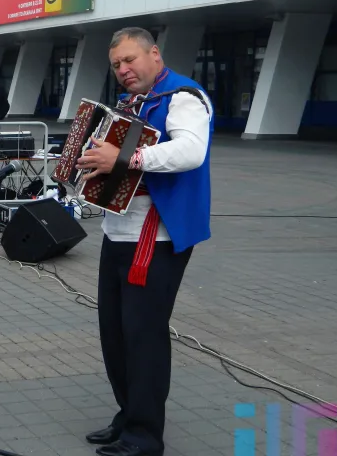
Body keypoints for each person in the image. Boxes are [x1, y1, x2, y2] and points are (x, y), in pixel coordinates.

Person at [76, 27, 213, 456]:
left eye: (130, 60)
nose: (123, 70)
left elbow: (191, 151)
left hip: (158, 234)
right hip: (118, 230)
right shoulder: (129, 104)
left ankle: (144, 435)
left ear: (154, 54)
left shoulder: (183, 97)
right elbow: (119, 165)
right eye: (117, 64)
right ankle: (129, 415)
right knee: (114, 334)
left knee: (143, 335)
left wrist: (124, 157)